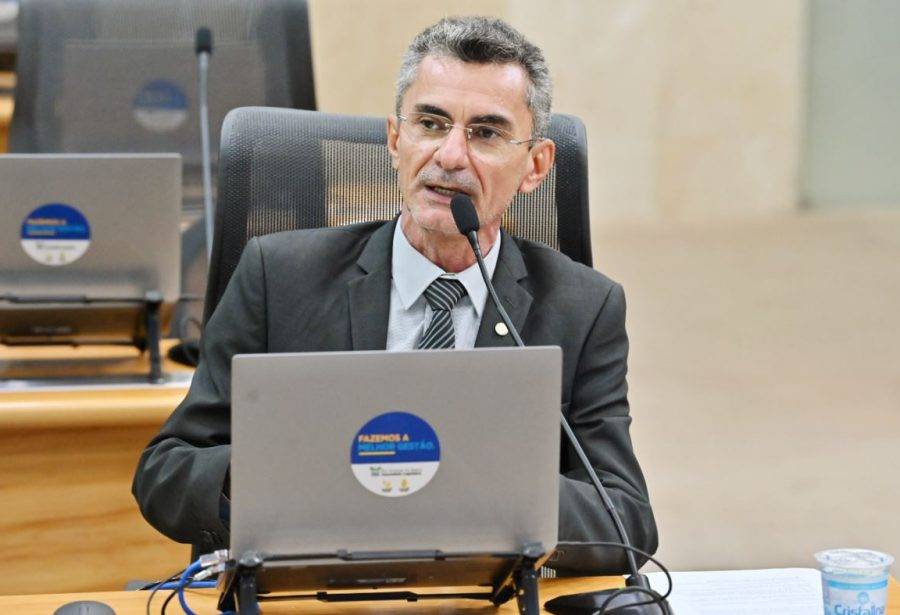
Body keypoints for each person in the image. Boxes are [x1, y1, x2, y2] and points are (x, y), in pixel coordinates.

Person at [133, 16, 657, 574]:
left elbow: (624, 520)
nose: (451, 155)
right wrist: (285, 476)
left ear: (535, 166)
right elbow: (166, 473)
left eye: (486, 132)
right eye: (431, 123)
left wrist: (469, 483)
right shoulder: (278, 276)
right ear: (395, 140)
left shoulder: (583, 308)